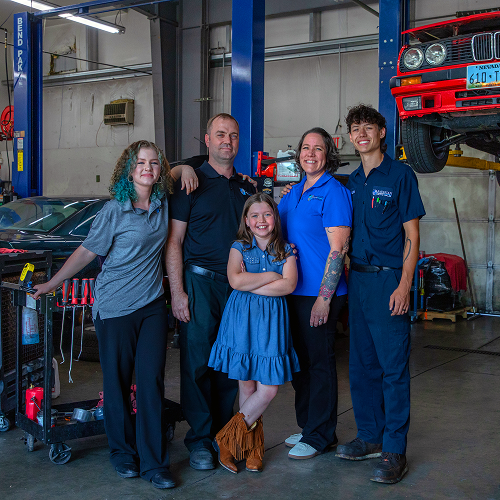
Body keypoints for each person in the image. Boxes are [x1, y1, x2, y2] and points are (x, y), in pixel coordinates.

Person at [33, 141, 175, 490]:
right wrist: (52, 283)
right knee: (117, 382)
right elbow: (85, 253)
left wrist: (183, 169)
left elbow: (185, 174)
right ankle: (123, 454)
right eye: (140, 162)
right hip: (114, 308)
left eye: (154, 163)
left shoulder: (163, 205)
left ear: (160, 170)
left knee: (151, 382)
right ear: (129, 170)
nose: (147, 168)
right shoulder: (115, 210)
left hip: (153, 305)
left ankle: (154, 464)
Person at [335, 104, 425, 484]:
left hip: (390, 281)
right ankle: (370, 436)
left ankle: (394, 450)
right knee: (362, 365)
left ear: (382, 132)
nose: (361, 134)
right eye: (355, 128)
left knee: (392, 368)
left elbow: (412, 235)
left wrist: (405, 284)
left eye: (368, 127)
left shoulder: (401, 175)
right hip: (358, 281)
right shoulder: (351, 182)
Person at [166, 113, 257, 471]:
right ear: (207, 140)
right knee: (197, 364)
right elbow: (174, 242)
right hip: (200, 284)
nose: (227, 141)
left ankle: (223, 436)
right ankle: (200, 440)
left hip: (237, 288)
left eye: (233, 136)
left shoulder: (248, 189)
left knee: (228, 366)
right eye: (220, 135)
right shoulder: (190, 184)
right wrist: (178, 292)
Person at [208, 193, 300, 473]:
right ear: (247, 221)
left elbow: (288, 286)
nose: (262, 221)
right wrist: (272, 276)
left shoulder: (287, 249)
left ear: (276, 218)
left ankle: (226, 439)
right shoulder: (239, 246)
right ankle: (252, 449)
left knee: (268, 389)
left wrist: (253, 283)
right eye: (255, 216)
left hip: (271, 326)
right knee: (247, 387)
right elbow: (235, 280)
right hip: (241, 322)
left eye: (268, 214)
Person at [278, 127, 353, 460]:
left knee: (319, 363)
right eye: (305, 148)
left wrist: (324, 297)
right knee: (301, 364)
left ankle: (322, 435)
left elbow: (338, 250)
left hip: (319, 294)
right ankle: (310, 426)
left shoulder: (333, 192)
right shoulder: (294, 192)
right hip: (292, 290)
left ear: (328, 155)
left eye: (318, 149)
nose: (310, 153)